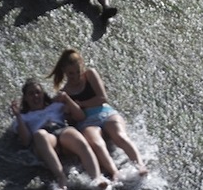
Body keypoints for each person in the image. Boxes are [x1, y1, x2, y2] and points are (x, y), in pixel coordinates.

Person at [48, 48, 147, 179]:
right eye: (71, 74)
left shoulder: (90, 74)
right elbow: (74, 120)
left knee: (119, 135)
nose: (76, 76)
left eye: (78, 72)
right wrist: (68, 111)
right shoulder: (65, 92)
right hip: (87, 122)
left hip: (106, 113)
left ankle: (140, 165)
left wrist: (80, 104)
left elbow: (102, 99)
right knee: (97, 144)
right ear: (64, 71)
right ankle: (114, 172)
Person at [10, 78, 109, 190]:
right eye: (31, 94)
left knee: (74, 133)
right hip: (45, 140)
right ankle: (61, 178)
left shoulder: (55, 106)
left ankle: (97, 179)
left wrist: (66, 98)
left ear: (43, 94)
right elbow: (26, 141)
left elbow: (80, 116)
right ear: (25, 98)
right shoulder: (24, 117)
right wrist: (18, 116)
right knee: (39, 134)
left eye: (38, 92)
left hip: (61, 131)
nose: (35, 96)